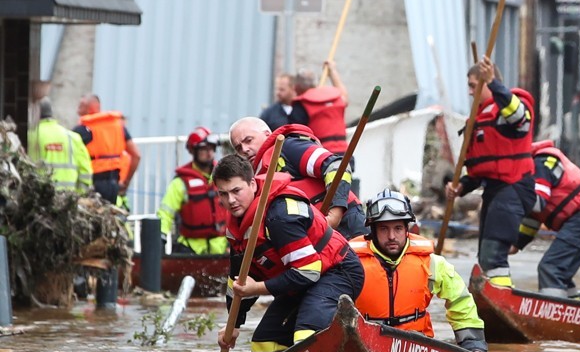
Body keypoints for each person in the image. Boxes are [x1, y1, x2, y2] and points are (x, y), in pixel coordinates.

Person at [213, 154, 365, 352]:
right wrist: (233, 325)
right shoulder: (236, 227)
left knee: (306, 334)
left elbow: (307, 271)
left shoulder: (280, 215)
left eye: (236, 191)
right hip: (297, 281)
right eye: (223, 194)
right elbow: (237, 282)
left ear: (252, 184)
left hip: (336, 270)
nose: (230, 200)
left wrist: (257, 288)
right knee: (264, 343)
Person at [350, 189, 488, 352]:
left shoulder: (432, 263)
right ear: (372, 231)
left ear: (407, 228)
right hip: (365, 347)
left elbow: (460, 302)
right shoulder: (351, 264)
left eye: (398, 228)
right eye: (384, 229)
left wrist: (474, 344)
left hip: (416, 351)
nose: (392, 236)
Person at [444, 56, 535, 288]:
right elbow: (477, 170)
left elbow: (519, 119)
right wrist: (460, 187)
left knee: (494, 253)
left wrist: (495, 83)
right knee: (485, 255)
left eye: (473, 86)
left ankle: (502, 296)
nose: (470, 92)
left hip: (514, 187)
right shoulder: (477, 119)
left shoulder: (508, 109)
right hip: (494, 189)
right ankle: (490, 301)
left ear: (487, 83)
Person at [228, 116, 367, 239]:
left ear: (267, 134)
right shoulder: (253, 180)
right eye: (239, 148)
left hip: (346, 223)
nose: (245, 149)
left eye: (249, 140)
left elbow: (336, 167)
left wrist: (334, 215)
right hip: (316, 239)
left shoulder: (288, 147)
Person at [513, 140, 580, 296]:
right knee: (561, 272)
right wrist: (516, 244)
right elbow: (534, 217)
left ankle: (552, 316)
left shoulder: (542, 163)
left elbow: (537, 204)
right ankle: (573, 307)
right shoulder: (533, 169)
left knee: (551, 268)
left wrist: (510, 197)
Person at [157, 126, 229, 254]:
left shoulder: (224, 175)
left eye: (212, 148)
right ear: (193, 151)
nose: (209, 153)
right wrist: (160, 236)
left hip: (222, 248)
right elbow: (165, 213)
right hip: (190, 248)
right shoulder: (180, 183)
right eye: (204, 149)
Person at [73, 93, 141, 206]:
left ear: (87, 107)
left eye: (80, 105)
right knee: (108, 220)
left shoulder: (83, 129)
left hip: (93, 185)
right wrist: (125, 183)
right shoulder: (118, 126)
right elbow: (136, 156)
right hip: (113, 184)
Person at [28, 98, 92, 193]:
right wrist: (79, 195)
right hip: (67, 200)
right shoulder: (73, 137)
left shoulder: (29, 136)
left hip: (40, 199)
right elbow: (85, 171)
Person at [292, 60, 348, 154]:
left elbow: (295, 136)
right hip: (345, 154)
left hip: (322, 156)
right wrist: (333, 72)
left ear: (297, 87)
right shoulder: (336, 98)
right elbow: (345, 97)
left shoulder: (301, 105)